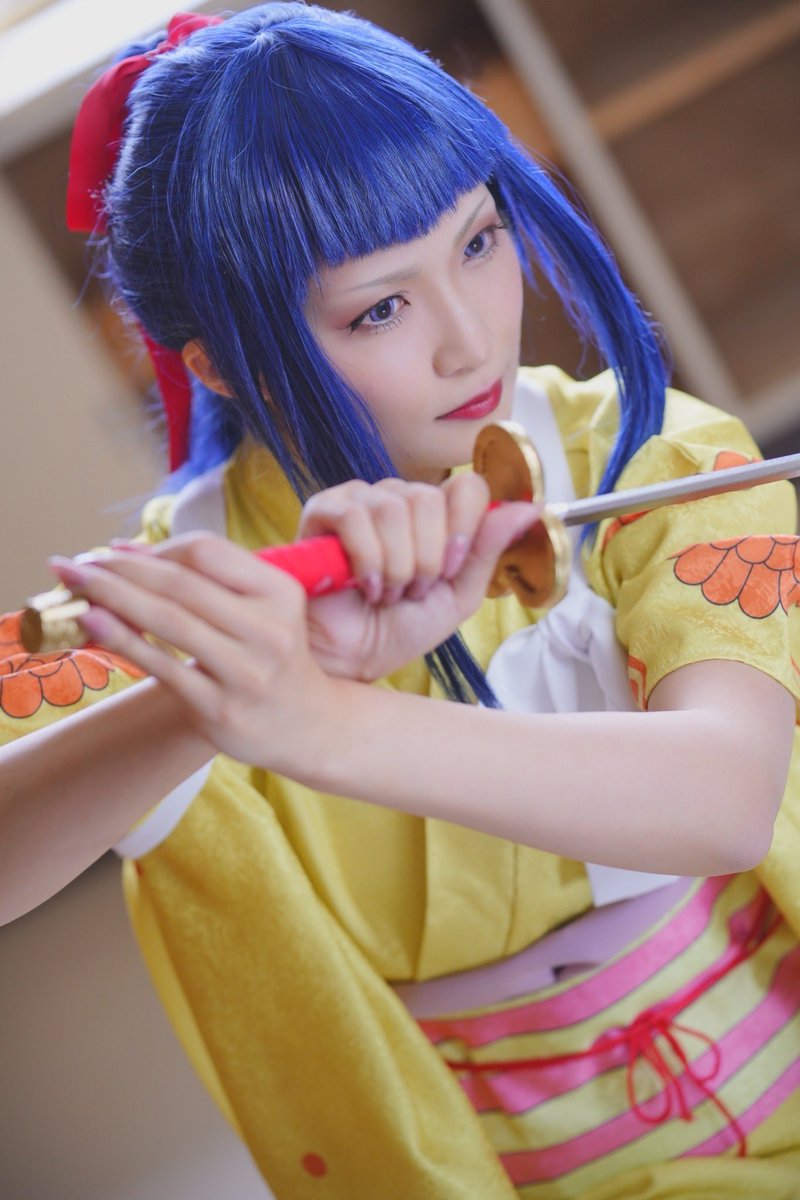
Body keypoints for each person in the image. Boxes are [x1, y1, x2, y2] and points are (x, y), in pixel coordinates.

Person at [1, 4, 799, 1196]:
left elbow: (726, 799)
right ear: (221, 363)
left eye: (479, 241)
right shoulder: (198, 584)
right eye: (380, 307)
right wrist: (219, 700)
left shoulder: (653, 457)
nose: (470, 339)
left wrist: (323, 721)